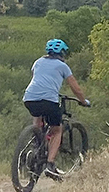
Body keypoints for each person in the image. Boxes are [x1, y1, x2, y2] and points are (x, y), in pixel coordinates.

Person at [22, 38, 90, 180]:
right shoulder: (62, 66)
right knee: (57, 130)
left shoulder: (38, 62)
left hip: (29, 98)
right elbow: (75, 87)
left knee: (38, 117)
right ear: (63, 53)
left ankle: (37, 141)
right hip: (49, 100)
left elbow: (39, 79)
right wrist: (83, 101)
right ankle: (50, 165)